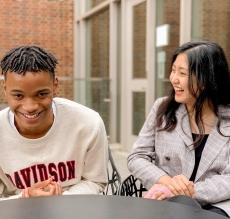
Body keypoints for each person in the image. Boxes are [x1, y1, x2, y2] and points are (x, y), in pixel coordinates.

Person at [127, 41, 230, 217]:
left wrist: (189, 192)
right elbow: (137, 157)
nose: (174, 78)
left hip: (216, 206)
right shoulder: (163, 109)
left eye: (182, 73)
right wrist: (168, 183)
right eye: (173, 70)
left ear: (208, 78)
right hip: (166, 202)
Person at [0, 45, 108, 199]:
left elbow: (96, 181)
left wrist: (62, 197)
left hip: (75, 209)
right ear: (5, 89)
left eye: (41, 94)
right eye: (18, 96)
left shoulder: (88, 123)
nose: (30, 107)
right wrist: (26, 197)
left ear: (55, 85)